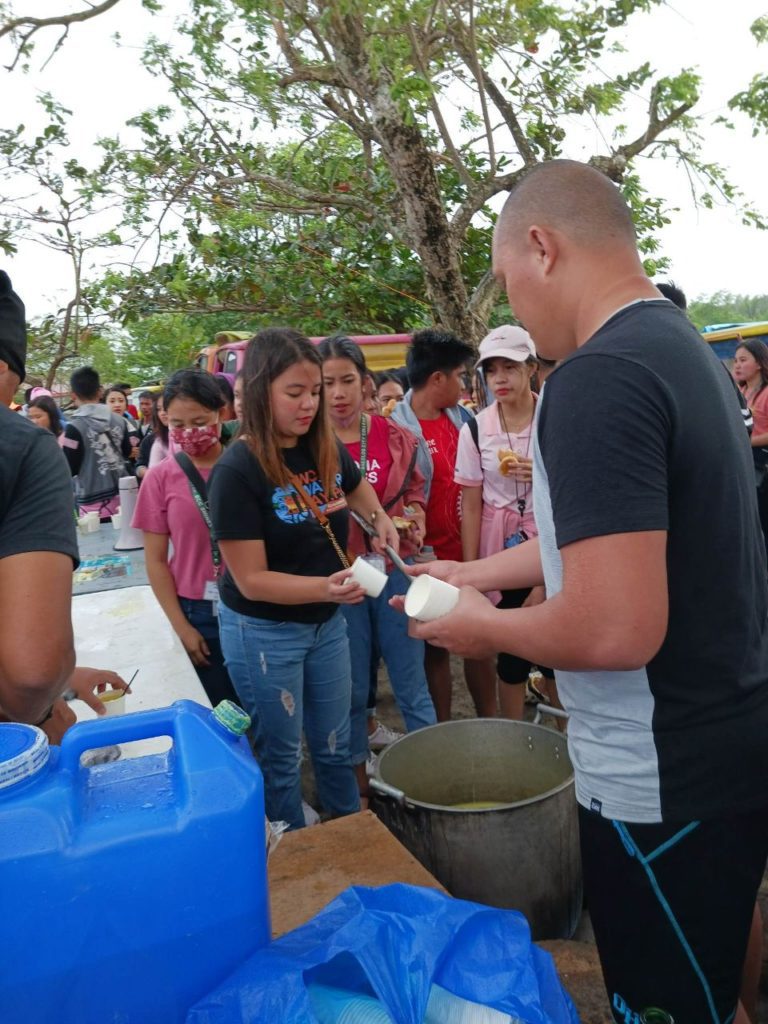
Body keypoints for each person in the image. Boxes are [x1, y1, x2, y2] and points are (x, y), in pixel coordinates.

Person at [397, 160, 768, 1024]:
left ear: (542, 245)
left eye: (506, 279)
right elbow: (601, 547)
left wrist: (482, 628)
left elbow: (613, 627)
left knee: (666, 1000)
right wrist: (474, 575)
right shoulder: (683, 350)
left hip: (658, 773)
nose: (514, 308)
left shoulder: (599, 378)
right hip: (727, 741)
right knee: (717, 965)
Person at [208, 327, 400, 831]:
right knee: (282, 757)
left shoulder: (325, 449)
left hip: (326, 624)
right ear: (259, 391)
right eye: (295, 393)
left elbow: (360, 494)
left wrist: (380, 521)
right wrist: (324, 588)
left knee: (338, 742)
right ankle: (293, 850)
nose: (310, 404)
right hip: (264, 632)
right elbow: (250, 580)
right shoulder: (238, 469)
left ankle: (348, 835)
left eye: (313, 391)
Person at [0, 272, 128, 743]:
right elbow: (31, 673)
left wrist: (63, 681)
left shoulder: (70, 430)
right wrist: (40, 712)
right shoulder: (26, 448)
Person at [319, 335, 436, 794]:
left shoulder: (397, 436)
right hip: (341, 579)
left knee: (411, 677)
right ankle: (358, 796)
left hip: (394, 570)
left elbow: (414, 490)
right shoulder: (303, 446)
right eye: (328, 383)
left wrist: (417, 517)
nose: (340, 393)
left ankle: (432, 779)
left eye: (348, 380)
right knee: (348, 688)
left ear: (365, 382)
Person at [390, 329, 496, 721]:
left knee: (481, 641)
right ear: (438, 379)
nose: (464, 383)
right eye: (460, 375)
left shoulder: (463, 419)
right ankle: (443, 730)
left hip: (468, 552)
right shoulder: (398, 431)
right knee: (434, 647)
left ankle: (491, 722)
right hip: (426, 558)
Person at [454, 324, 558, 720]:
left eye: (510, 367)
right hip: (500, 550)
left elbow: (571, 496)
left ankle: (568, 747)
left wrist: (544, 474)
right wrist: (472, 575)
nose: (500, 378)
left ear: (531, 368)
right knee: (511, 656)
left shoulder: (554, 418)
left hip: (550, 544)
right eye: (492, 369)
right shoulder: (476, 429)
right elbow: (472, 504)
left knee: (555, 654)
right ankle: (514, 743)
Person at [132, 370, 238, 708]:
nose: (189, 432)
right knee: (221, 712)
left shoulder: (249, 466)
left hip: (255, 606)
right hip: (199, 612)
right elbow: (155, 561)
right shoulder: (160, 479)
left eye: (199, 420)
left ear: (221, 413)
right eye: (178, 424)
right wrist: (182, 627)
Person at [62, 366, 133, 520]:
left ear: (73, 395)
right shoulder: (120, 420)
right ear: (100, 391)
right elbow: (127, 451)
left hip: (92, 505)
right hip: (124, 497)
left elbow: (70, 467)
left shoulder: (73, 428)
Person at [733, 338, 768, 559]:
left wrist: (745, 441)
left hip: (762, 467)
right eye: (735, 360)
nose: (737, 365)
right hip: (747, 463)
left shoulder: (766, 394)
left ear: (760, 363)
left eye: (743, 360)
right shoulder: (741, 392)